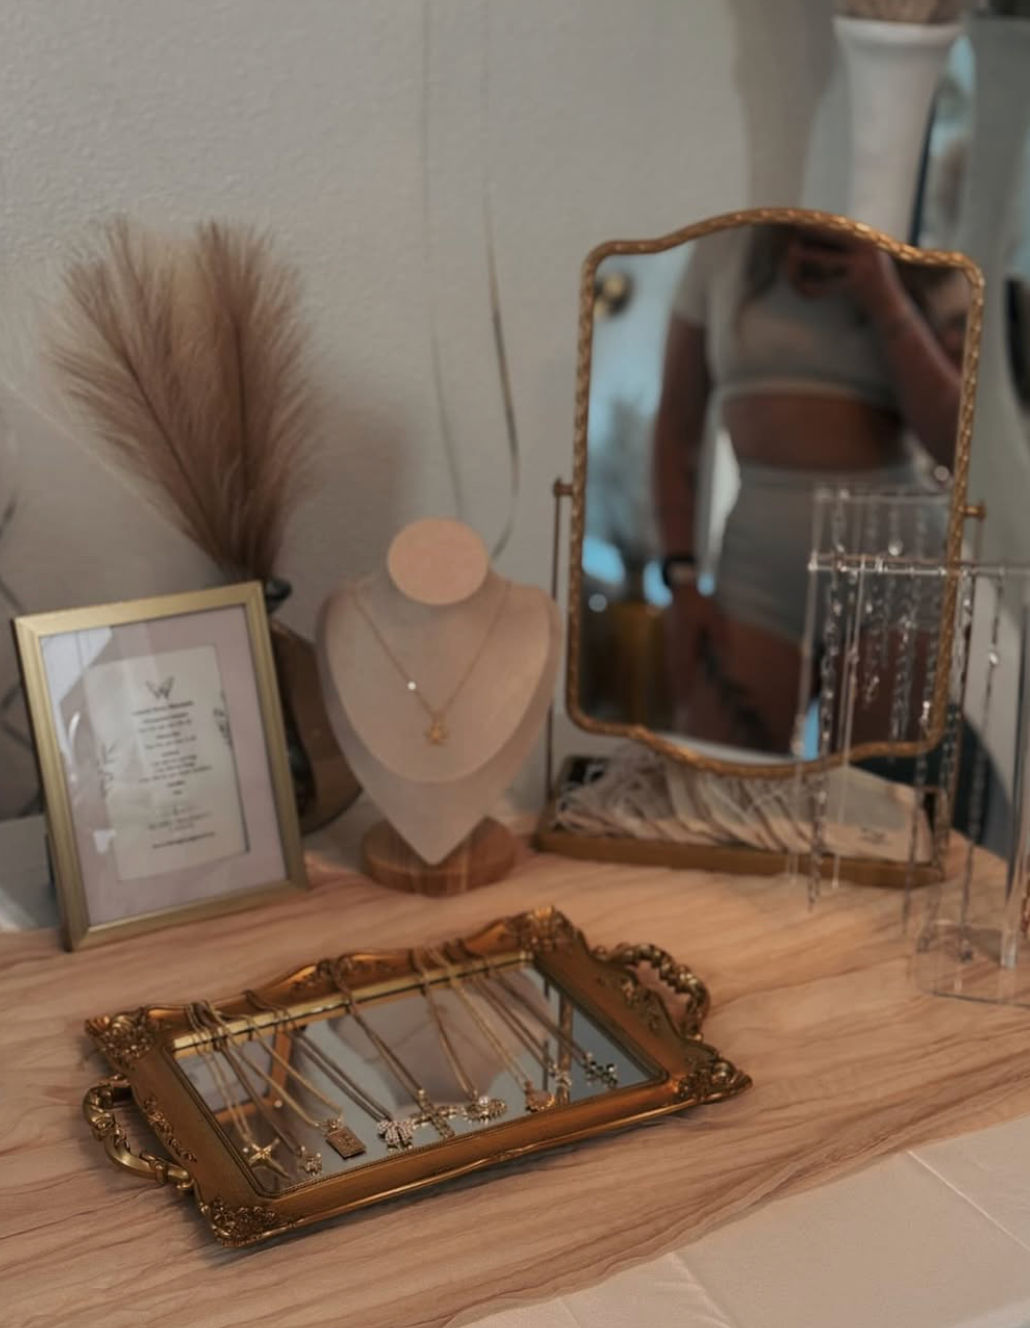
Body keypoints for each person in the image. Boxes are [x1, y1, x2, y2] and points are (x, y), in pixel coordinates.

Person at [652, 222, 965, 753]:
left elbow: (956, 442)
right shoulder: (725, 243)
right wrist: (681, 576)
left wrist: (882, 292)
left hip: (894, 569)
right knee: (716, 795)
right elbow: (676, 426)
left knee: (872, 812)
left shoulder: (921, 242)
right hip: (756, 572)